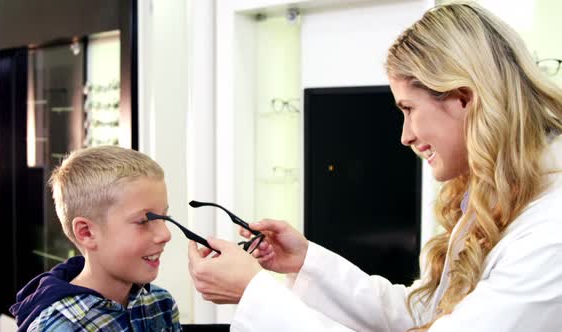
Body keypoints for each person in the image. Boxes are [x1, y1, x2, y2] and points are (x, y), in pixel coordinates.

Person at [187, 2, 562, 331]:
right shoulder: (503, 197)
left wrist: (256, 296)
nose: (406, 136)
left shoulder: (550, 232)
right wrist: (305, 261)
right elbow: (420, 315)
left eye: (409, 110)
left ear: (463, 98)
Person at [10, 146, 183, 332]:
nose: (166, 234)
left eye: (165, 218)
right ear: (86, 233)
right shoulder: (59, 327)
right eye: (143, 221)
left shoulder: (161, 303)